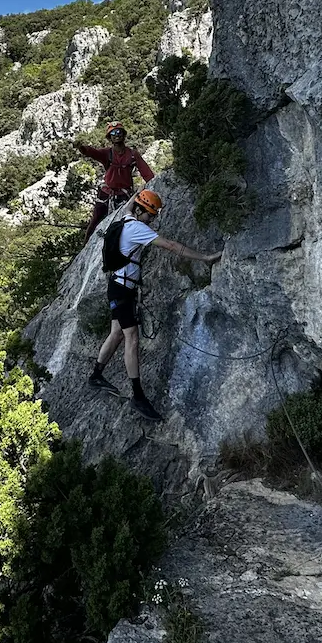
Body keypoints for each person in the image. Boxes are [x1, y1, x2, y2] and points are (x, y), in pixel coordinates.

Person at [88, 189, 222, 421]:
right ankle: (138, 396)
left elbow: (130, 205)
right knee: (132, 337)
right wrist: (205, 258)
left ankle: (96, 375)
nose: (153, 219)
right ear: (141, 211)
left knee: (117, 332)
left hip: (118, 286)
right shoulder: (138, 228)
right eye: (150, 214)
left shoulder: (127, 218)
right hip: (122, 289)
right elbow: (170, 245)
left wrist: (140, 192)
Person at [77, 121, 155, 241]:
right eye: (113, 133)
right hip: (106, 193)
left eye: (119, 132)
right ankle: (84, 248)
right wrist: (82, 148)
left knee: (124, 223)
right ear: (110, 137)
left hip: (124, 195)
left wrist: (152, 188)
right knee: (95, 221)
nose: (116, 134)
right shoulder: (107, 154)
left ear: (123, 135)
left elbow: (147, 173)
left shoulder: (133, 155)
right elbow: (94, 153)